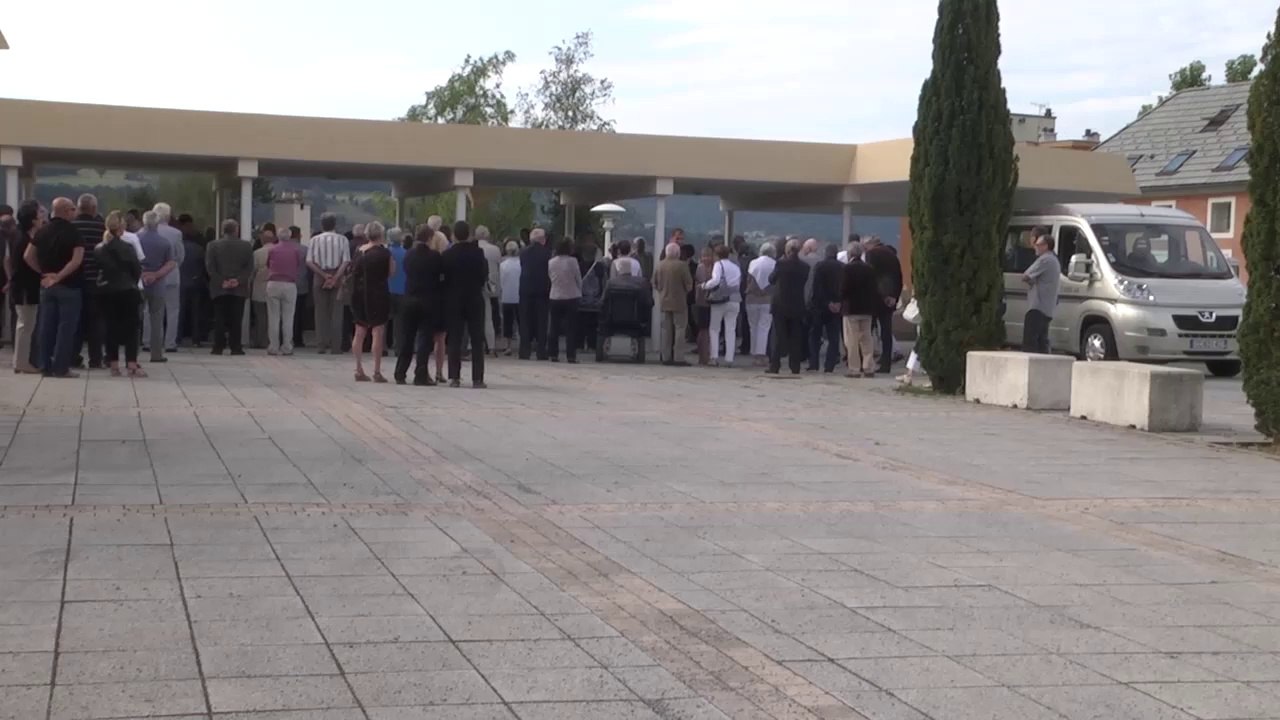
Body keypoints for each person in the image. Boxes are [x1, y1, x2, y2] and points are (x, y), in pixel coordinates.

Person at [26, 198, 84, 378]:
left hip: (46, 286)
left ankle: (44, 365)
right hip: (69, 286)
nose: (75, 212)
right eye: (73, 209)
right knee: (66, 329)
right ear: (66, 211)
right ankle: (61, 367)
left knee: (46, 326)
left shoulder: (42, 231)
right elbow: (76, 260)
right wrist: (58, 276)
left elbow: (28, 256)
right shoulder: (74, 232)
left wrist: (44, 274)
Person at [95, 211, 145, 378]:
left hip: (107, 292)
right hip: (127, 291)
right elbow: (136, 270)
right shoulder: (128, 248)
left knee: (111, 328)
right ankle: (131, 363)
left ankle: (113, 364)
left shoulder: (99, 248)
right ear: (121, 227)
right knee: (131, 328)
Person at [394, 224, 444, 385]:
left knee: (407, 337)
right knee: (424, 338)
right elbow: (440, 275)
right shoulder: (434, 256)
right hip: (428, 300)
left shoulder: (409, 255)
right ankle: (420, 373)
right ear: (430, 238)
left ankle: (400, 372)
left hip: (409, 299)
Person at [442, 221, 489, 388]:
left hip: (454, 299)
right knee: (477, 339)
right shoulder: (478, 253)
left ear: (454, 235)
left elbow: (443, 278)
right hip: (475, 298)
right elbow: (484, 275)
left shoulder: (447, 255)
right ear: (469, 235)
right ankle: (477, 378)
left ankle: (454, 377)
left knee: (454, 337)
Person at [350, 221, 394, 382]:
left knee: (359, 331)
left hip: (359, 293)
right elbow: (391, 272)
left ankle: (358, 368)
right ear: (381, 234)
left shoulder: (358, 251)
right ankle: (376, 370)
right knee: (377, 331)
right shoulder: (384, 253)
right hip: (378, 293)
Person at [205, 219, 254, 355]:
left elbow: (210, 267)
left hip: (219, 288)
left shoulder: (212, 245)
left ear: (222, 230)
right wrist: (238, 281)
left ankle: (218, 346)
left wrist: (222, 281)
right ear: (236, 230)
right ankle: (236, 346)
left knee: (219, 317)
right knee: (236, 318)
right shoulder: (246, 246)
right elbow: (249, 267)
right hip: (239, 289)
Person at [305, 213, 351, 354]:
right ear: (334, 224)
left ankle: (321, 345)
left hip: (319, 276)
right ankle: (336, 346)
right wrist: (335, 277)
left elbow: (309, 261)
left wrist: (324, 275)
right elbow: (346, 261)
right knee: (337, 313)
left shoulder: (314, 240)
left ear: (322, 225)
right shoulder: (343, 239)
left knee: (320, 312)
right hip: (337, 275)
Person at [137, 211, 178, 364]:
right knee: (157, 319)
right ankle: (156, 354)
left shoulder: (135, 239)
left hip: (137, 283)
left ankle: (133, 354)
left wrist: (142, 274)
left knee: (135, 318)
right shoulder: (164, 242)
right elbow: (171, 263)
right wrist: (155, 275)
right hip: (158, 283)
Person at [70, 194, 106, 369]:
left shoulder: (71, 226)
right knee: (96, 322)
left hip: (74, 279)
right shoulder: (102, 227)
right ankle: (96, 359)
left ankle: (73, 357)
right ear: (93, 208)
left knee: (74, 321)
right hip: (96, 280)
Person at [7, 201, 43, 374]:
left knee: (24, 325)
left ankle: (19, 361)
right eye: (40, 213)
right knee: (26, 325)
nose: (43, 216)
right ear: (33, 219)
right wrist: (41, 272)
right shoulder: (25, 238)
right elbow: (29, 259)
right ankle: (22, 362)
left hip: (20, 285)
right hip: (25, 287)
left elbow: (8, 260)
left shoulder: (18, 235)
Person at [766, 239, 809, 375]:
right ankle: (794, 366)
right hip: (797, 304)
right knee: (796, 337)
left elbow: (771, 279)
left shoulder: (781, 264)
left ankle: (775, 365)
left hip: (780, 304)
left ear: (787, 250)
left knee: (778, 336)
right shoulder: (805, 267)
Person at [841, 241, 882, 378]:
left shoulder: (846, 269)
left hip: (851, 309)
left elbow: (843, 289)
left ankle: (854, 368)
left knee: (851, 339)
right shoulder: (870, 269)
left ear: (850, 253)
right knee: (867, 338)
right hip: (866, 309)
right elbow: (874, 289)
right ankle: (868, 366)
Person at [265, 222, 306, 356]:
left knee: (273, 317)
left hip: (273, 283)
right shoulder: (296, 250)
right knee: (288, 318)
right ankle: (287, 346)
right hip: (289, 284)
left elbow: (267, 264)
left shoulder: (272, 249)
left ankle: (273, 346)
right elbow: (299, 264)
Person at [864, 236, 904, 373]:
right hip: (889, 301)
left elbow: (871, 277)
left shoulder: (871, 254)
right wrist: (893, 296)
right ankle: (886, 363)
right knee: (886, 332)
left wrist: (880, 294)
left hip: (874, 299)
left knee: (868, 332)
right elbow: (899, 277)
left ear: (871, 244)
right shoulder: (893, 256)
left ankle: (867, 363)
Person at [150, 203, 185, 354]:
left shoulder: (146, 232)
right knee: (172, 310)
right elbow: (180, 255)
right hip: (171, 274)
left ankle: (147, 341)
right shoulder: (176, 233)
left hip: (150, 275)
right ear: (169, 216)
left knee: (149, 310)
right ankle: (170, 343)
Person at [701, 244, 742, 367]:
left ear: (716, 255)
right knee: (731, 329)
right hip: (735, 299)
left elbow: (716, 280)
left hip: (720, 300)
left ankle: (714, 357)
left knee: (714, 329)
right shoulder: (736, 267)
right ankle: (729, 358)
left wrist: (704, 285)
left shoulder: (718, 265)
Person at [654, 241, 693, 365]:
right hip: (679, 302)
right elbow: (689, 285)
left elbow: (654, 282)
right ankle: (678, 357)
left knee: (666, 330)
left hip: (664, 301)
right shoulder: (682, 266)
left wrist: (661, 290)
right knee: (680, 329)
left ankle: (666, 356)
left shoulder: (659, 265)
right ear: (678, 253)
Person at [1022, 228, 1060, 354]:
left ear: (1046, 246)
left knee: (1030, 342)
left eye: (1038, 245)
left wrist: (1031, 280)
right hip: (1047, 308)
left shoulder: (1045, 260)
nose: (1035, 247)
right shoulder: (1054, 260)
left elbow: (1026, 276)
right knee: (1042, 342)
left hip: (1037, 307)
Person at [809, 243, 845, 373]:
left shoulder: (820, 266)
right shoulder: (842, 267)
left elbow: (817, 288)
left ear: (826, 253)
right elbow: (844, 288)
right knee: (834, 337)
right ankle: (829, 366)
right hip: (836, 307)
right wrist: (838, 303)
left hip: (820, 306)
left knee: (815, 336)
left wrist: (826, 302)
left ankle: (814, 363)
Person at [545, 238, 583, 363]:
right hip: (571, 296)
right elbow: (578, 278)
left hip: (555, 296)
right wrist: (579, 290)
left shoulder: (551, 262)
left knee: (554, 327)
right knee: (571, 328)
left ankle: (553, 354)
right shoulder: (573, 261)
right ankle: (571, 355)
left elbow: (550, 277)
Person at [518, 228, 551, 360]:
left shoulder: (523, 252)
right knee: (541, 321)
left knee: (525, 321)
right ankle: (541, 351)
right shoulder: (547, 253)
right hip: (542, 290)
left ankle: (524, 350)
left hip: (525, 289)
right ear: (542, 239)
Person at [744, 242, 776, 365]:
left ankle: (754, 354)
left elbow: (749, 280)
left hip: (752, 298)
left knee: (753, 327)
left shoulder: (753, 263)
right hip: (768, 299)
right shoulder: (774, 264)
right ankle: (761, 354)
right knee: (764, 327)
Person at [425, 231, 450, 382]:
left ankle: (424, 369)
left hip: (426, 299)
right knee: (440, 339)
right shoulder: (443, 261)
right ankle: (439, 371)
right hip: (440, 300)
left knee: (425, 337)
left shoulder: (424, 258)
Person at [179, 218, 207, 347]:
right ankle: (196, 339)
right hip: (195, 282)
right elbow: (203, 267)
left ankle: (177, 337)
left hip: (180, 282)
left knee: (179, 311)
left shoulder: (178, 248)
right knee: (196, 312)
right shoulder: (199, 249)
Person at [576, 236, 607, 353]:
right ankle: (592, 345)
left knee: (579, 323)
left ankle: (579, 344)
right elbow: (604, 283)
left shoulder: (579, 265)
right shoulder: (600, 267)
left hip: (580, 299)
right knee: (593, 324)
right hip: (595, 300)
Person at [476, 225, 503, 357]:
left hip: (475, 286)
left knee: (473, 318)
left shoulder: (474, 249)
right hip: (490, 286)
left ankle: (472, 345)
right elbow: (498, 268)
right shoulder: (495, 250)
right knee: (488, 318)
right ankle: (491, 347)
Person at [250, 226, 275, 349]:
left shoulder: (257, 253)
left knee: (260, 317)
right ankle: (272, 340)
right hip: (274, 287)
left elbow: (252, 272)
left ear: (262, 240)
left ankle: (260, 340)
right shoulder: (278, 251)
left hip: (259, 288)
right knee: (274, 316)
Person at [386, 227, 407, 353]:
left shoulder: (386, 253)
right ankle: (398, 347)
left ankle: (381, 346)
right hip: (402, 290)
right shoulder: (406, 253)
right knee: (399, 322)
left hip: (386, 289)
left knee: (382, 321)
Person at [692, 246, 715, 365]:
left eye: (708, 256)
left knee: (706, 329)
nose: (706, 259)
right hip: (702, 301)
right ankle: (703, 356)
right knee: (703, 329)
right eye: (704, 256)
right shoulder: (700, 268)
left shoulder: (713, 267)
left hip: (709, 302)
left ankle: (705, 355)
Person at [499, 240, 521, 355]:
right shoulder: (521, 264)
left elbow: (501, 282)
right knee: (520, 321)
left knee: (507, 322)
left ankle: (508, 346)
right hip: (519, 296)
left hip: (506, 296)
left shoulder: (503, 265)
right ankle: (523, 344)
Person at [289, 226, 310, 349]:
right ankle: (298, 339)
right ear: (298, 235)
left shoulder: (284, 249)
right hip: (302, 284)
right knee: (299, 313)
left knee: (286, 313)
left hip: (288, 282)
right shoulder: (305, 250)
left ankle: (286, 337)